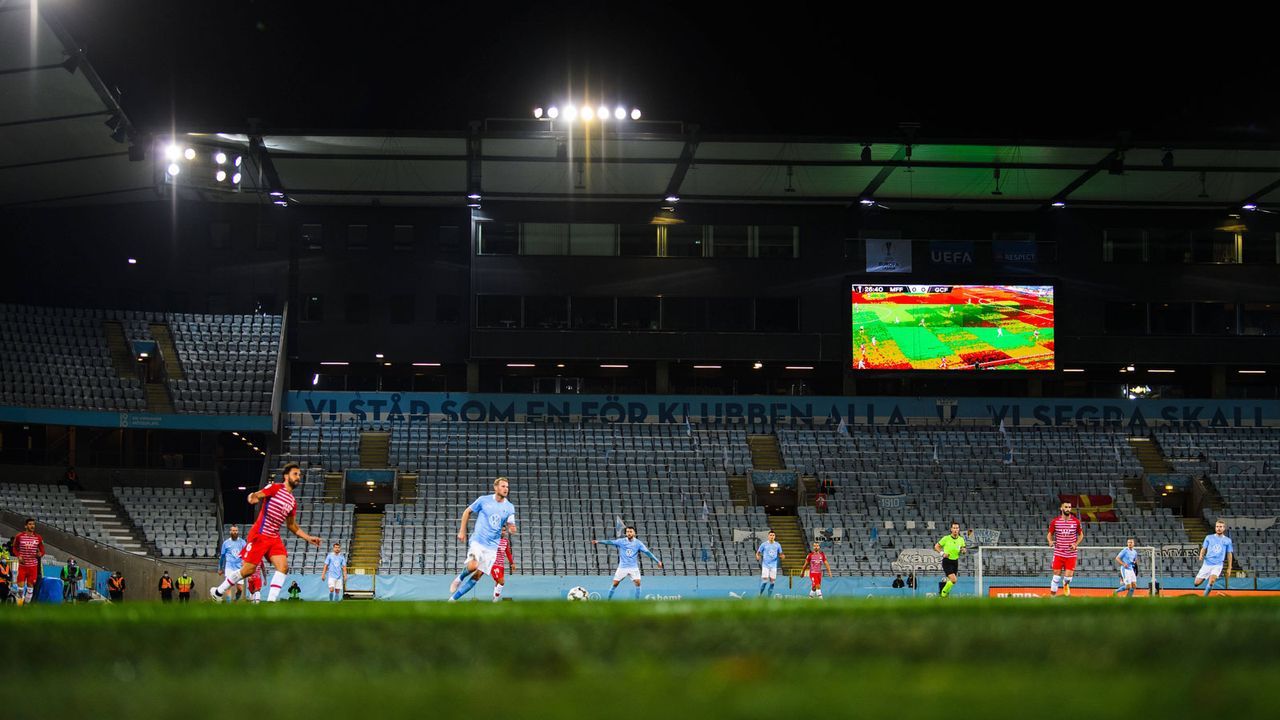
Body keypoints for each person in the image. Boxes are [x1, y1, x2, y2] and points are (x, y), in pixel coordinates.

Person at [210, 463, 322, 602]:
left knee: (283, 567)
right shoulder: (275, 488)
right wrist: (252, 497)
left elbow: (292, 525)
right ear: (286, 476)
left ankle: (271, 602)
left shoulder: (292, 502)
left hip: (274, 538)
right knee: (247, 571)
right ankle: (218, 592)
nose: (298, 477)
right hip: (260, 534)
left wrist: (308, 537)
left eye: (299, 475)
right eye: (295, 474)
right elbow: (258, 495)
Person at [448, 477, 517, 602]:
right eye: (503, 486)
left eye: (507, 486)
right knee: (473, 566)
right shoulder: (483, 500)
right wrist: (462, 531)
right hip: (478, 541)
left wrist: (512, 528)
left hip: (492, 547)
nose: (506, 489)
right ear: (495, 487)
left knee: (477, 575)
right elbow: (467, 512)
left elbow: (511, 524)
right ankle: (459, 578)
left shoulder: (510, 507)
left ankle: (452, 600)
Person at [593, 526, 663, 600]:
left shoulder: (638, 543)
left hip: (633, 567)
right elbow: (610, 542)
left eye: (630, 531)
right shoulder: (621, 541)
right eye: (627, 532)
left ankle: (637, 603)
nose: (629, 533)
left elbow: (647, 552)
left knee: (638, 583)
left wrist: (657, 561)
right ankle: (608, 600)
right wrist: (598, 541)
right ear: (626, 533)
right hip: (622, 567)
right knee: (615, 584)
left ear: (634, 533)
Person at [1046, 500, 1083, 597]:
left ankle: (1065, 584)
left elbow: (1081, 535)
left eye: (1069, 507)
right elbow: (1049, 535)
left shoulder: (1076, 521)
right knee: (1056, 576)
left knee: (1068, 578)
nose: (1068, 509)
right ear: (1061, 508)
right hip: (1059, 553)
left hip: (1071, 554)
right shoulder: (1055, 521)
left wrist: (1075, 544)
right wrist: (1050, 541)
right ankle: (1052, 597)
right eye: (1066, 507)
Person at [1193, 520, 1234, 597]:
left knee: (1211, 581)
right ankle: (1207, 576)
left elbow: (1229, 554)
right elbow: (1203, 548)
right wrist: (1201, 554)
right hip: (1207, 563)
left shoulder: (1227, 540)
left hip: (1218, 564)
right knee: (1196, 583)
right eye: (1217, 526)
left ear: (1224, 528)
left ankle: (1204, 598)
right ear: (1215, 527)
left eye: (1220, 527)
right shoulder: (1209, 537)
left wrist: (1229, 568)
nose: (1218, 528)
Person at [11, 518, 44, 606]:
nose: (32, 526)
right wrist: (18, 556)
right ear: (26, 526)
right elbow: (14, 548)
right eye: (30, 524)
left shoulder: (38, 538)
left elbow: (42, 551)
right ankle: (19, 606)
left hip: (33, 567)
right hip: (22, 566)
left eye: (33, 524)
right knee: (20, 589)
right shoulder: (19, 536)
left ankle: (25, 605)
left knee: (30, 590)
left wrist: (40, 554)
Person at [934, 521, 968, 599]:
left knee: (953, 581)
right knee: (953, 579)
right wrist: (942, 553)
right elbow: (936, 546)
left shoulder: (961, 539)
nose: (955, 529)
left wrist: (963, 551)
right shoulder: (946, 538)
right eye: (954, 528)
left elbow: (963, 549)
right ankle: (943, 593)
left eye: (957, 528)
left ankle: (944, 595)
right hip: (947, 561)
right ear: (951, 529)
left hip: (955, 561)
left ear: (959, 529)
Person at [217, 525, 248, 603]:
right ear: (230, 531)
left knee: (240, 589)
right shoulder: (226, 543)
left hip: (239, 567)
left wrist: (245, 561)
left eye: (236, 530)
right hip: (229, 567)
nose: (235, 532)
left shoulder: (243, 542)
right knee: (228, 586)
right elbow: (222, 557)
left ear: (238, 531)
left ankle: (235, 600)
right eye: (233, 530)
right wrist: (220, 568)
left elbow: (246, 554)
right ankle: (228, 604)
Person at [756, 530, 784, 597]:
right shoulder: (764, 544)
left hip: (774, 566)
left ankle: (769, 598)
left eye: (773, 535)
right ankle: (760, 595)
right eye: (770, 535)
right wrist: (757, 556)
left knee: (772, 583)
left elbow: (781, 553)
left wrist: (782, 556)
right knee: (765, 581)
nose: (772, 536)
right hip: (765, 565)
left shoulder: (778, 545)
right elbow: (758, 553)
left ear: (775, 536)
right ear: (768, 536)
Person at [491, 528, 515, 602]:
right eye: (501, 530)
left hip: (501, 565)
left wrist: (512, 563)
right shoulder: (493, 540)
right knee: (502, 582)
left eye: (504, 530)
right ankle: (495, 599)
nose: (503, 532)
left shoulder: (505, 541)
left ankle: (494, 599)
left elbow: (508, 553)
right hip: (494, 564)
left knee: (498, 582)